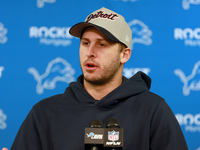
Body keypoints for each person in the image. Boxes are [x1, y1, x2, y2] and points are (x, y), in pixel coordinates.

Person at [2, 7, 188, 150]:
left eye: (102, 44)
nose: (90, 52)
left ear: (125, 55)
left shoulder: (153, 110)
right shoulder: (43, 113)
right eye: (85, 43)